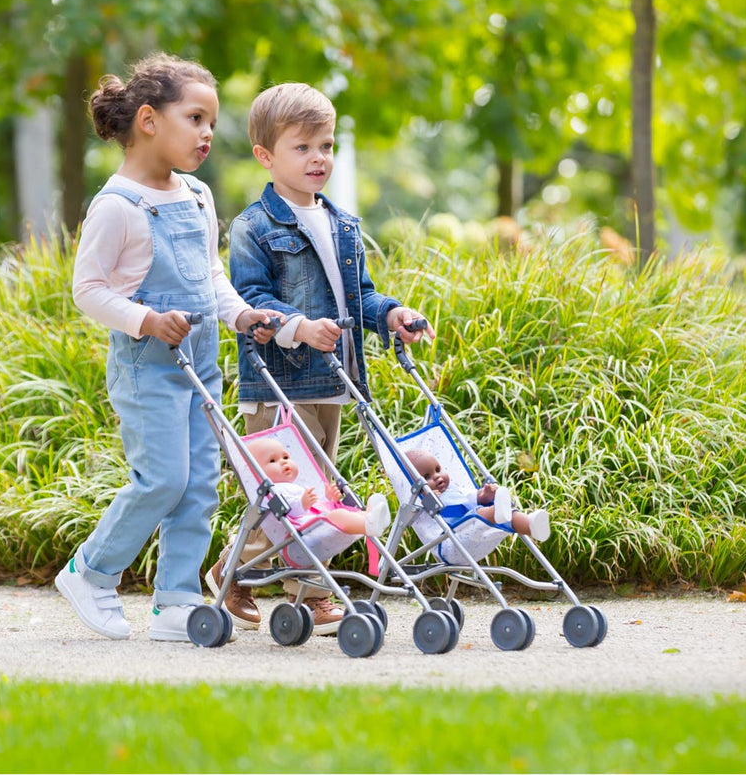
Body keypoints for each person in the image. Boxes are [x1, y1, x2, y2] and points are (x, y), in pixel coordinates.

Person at [55, 52, 280, 642]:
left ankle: (176, 602)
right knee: (162, 479)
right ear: (149, 120)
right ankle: (91, 572)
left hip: (200, 366)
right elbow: (88, 291)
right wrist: (146, 319)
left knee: (200, 483)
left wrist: (240, 314)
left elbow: (210, 275)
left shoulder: (198, 197)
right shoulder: (116, 206)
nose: (208, 133)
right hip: (146, 369)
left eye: (212, 121)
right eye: (195, 118)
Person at [207, 82, 433, 635]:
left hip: (336, 378)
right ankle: (235, 571)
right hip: (279, 381)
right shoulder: (253, 227)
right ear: (266, 155)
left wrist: (392, 314)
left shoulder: (343, 225)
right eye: (302, 148)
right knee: (280, 492)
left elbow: (362, 295)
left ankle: (308, 592)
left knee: (317, 493)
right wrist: (298, 328)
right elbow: (251, 301)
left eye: (326, 146)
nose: (319, 159)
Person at [247, 438, 391, 536]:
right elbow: (288, 511)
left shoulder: (294, 486)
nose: (284, 462)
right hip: (304, 529)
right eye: (273, 461)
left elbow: (317, 507)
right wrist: (302, 502)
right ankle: (369, 523)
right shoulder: (272, 491)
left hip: (316, 522)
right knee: (338, 516)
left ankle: (372, 517)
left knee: (346, 513)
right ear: (256, 472)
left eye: (285, 457)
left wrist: (331, 500)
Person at [405, 449, 551, 541]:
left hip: (481, 526)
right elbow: (420, 522)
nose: (437, 477)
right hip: (454, 538)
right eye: (427, 477)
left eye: (438, 469)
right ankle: (496, 512)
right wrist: (430, 499)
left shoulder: (456, 491)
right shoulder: (423, 503)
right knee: (479, 513)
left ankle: (531, 525)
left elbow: (473, 498)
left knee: (508, 515)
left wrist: (485, 495)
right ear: (415, 486)